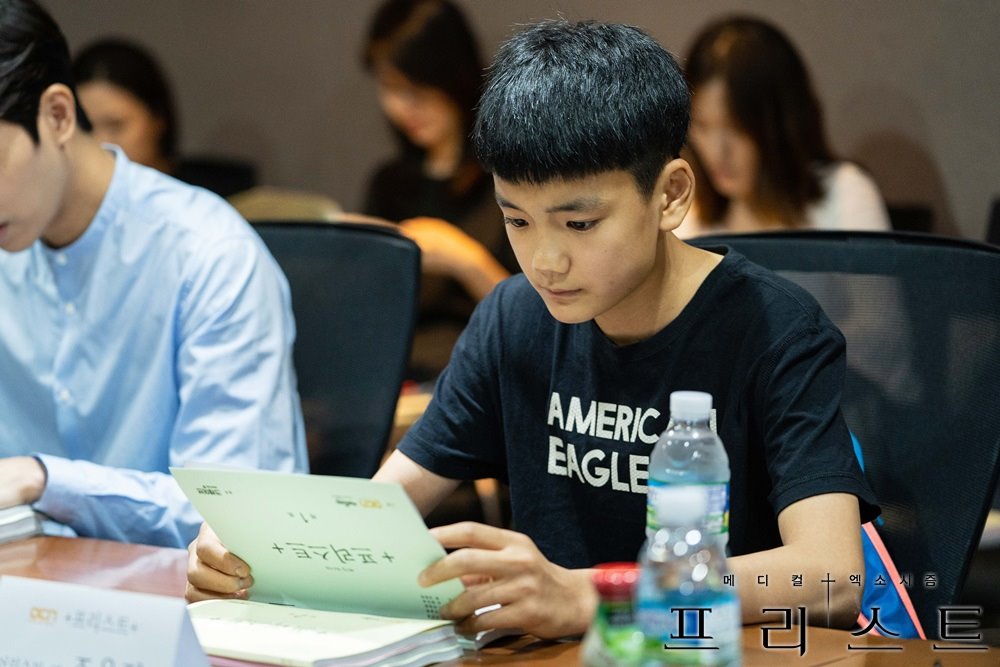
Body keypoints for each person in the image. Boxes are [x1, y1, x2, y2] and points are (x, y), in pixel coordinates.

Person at [188, 19, 879, 638]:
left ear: (670, 195)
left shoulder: (775, 329)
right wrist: (259, 552)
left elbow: (831, 574)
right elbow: (379, 508)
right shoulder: (514, 318)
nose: (546, 260)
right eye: (516, 219)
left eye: (579, 223)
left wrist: (593, 595)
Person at [0, 0, 306, 548]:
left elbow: (239, 513)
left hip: (174, 591)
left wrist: (44, 480)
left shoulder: (210, 255)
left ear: (58, 115)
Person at [362, 0, 516, 379]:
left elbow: (543, 322)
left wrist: (464, 260)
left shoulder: (507, 177)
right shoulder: (391, 183)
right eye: (390, 88)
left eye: (418, 88)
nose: (404, 107)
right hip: (399, 376)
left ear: (453, 76)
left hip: (481, 373)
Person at [679, 16, 891, 237]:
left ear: (778, 126)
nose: (716, 152)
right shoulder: (686, 212)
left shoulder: (844, 195)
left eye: (738, 128)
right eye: (702, 126)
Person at [73, 38, 256, 197]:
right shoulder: (69, 207)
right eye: (85, 126)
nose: (101, 143)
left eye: (116, 126)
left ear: (158, 118)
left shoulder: (218, 199)